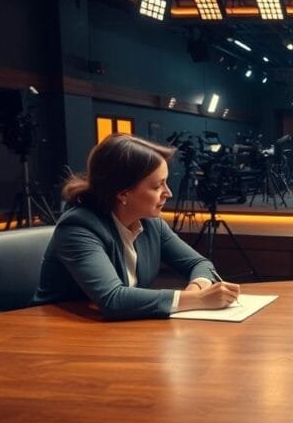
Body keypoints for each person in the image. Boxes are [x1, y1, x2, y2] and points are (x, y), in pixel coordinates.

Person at [33, 134, 241, 320]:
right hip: (60, 336)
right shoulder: (78, 227)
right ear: (122, 193)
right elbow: (113, 299)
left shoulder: (151, 223)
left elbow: (200, 264)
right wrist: (198, 300)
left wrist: (195, 292)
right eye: (157, 186)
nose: (168, 193)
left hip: (114, 330)